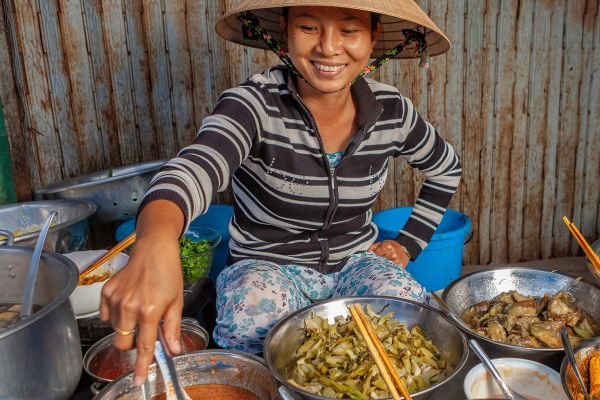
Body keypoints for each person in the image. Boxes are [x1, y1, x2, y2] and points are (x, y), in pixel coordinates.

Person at [100, 0, 461, 386]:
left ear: (373, 37)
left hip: (355, 263)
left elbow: (445, 168)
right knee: (254, 322)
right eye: (308, 27)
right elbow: (194, 168)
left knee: (406, 314)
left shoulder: (392, 112)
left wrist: (408, 244)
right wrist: (156, 240)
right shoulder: (253, 104)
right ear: (284, 32)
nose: (329, 47)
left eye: (349, 30)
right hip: (264, 267)